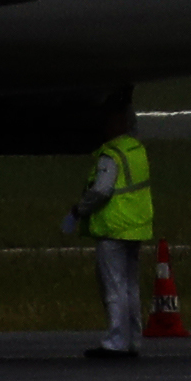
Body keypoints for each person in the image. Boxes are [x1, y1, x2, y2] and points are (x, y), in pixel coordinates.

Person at [69, 123, 158, 358]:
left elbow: (101, 190)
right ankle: (132, 340)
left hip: (114, 227)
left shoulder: (111, 156)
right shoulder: (135, 149)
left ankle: (117, 341)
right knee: (130, 287)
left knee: (114, 287)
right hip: (135, 226)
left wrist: (80, 210)